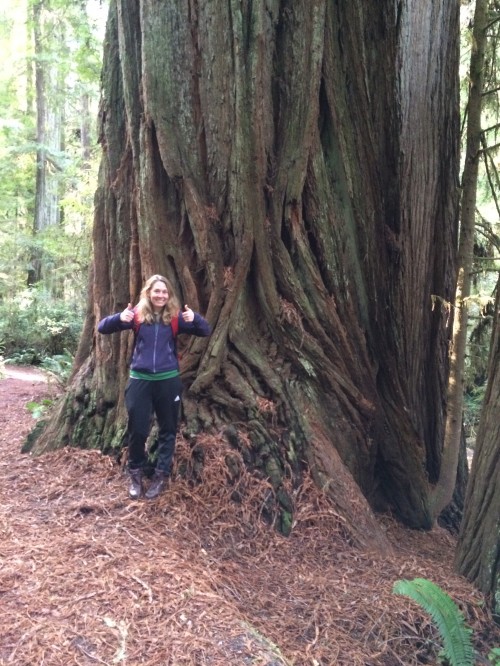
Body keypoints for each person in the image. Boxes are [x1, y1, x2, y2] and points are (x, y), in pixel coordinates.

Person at [98, 274, 211, 499]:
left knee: (168, 429)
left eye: (164, 292)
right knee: (138, 430)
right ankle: (136, 474)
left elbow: (205, 330)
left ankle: (161, 475)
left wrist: (194, 318)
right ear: (148, 293)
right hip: (140, 380)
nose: (160, 295)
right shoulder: (137, 316)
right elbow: (103, 328)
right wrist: (119, 317)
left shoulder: (176, 318)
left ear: (169, 295)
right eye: (156, 291)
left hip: (168, 380)